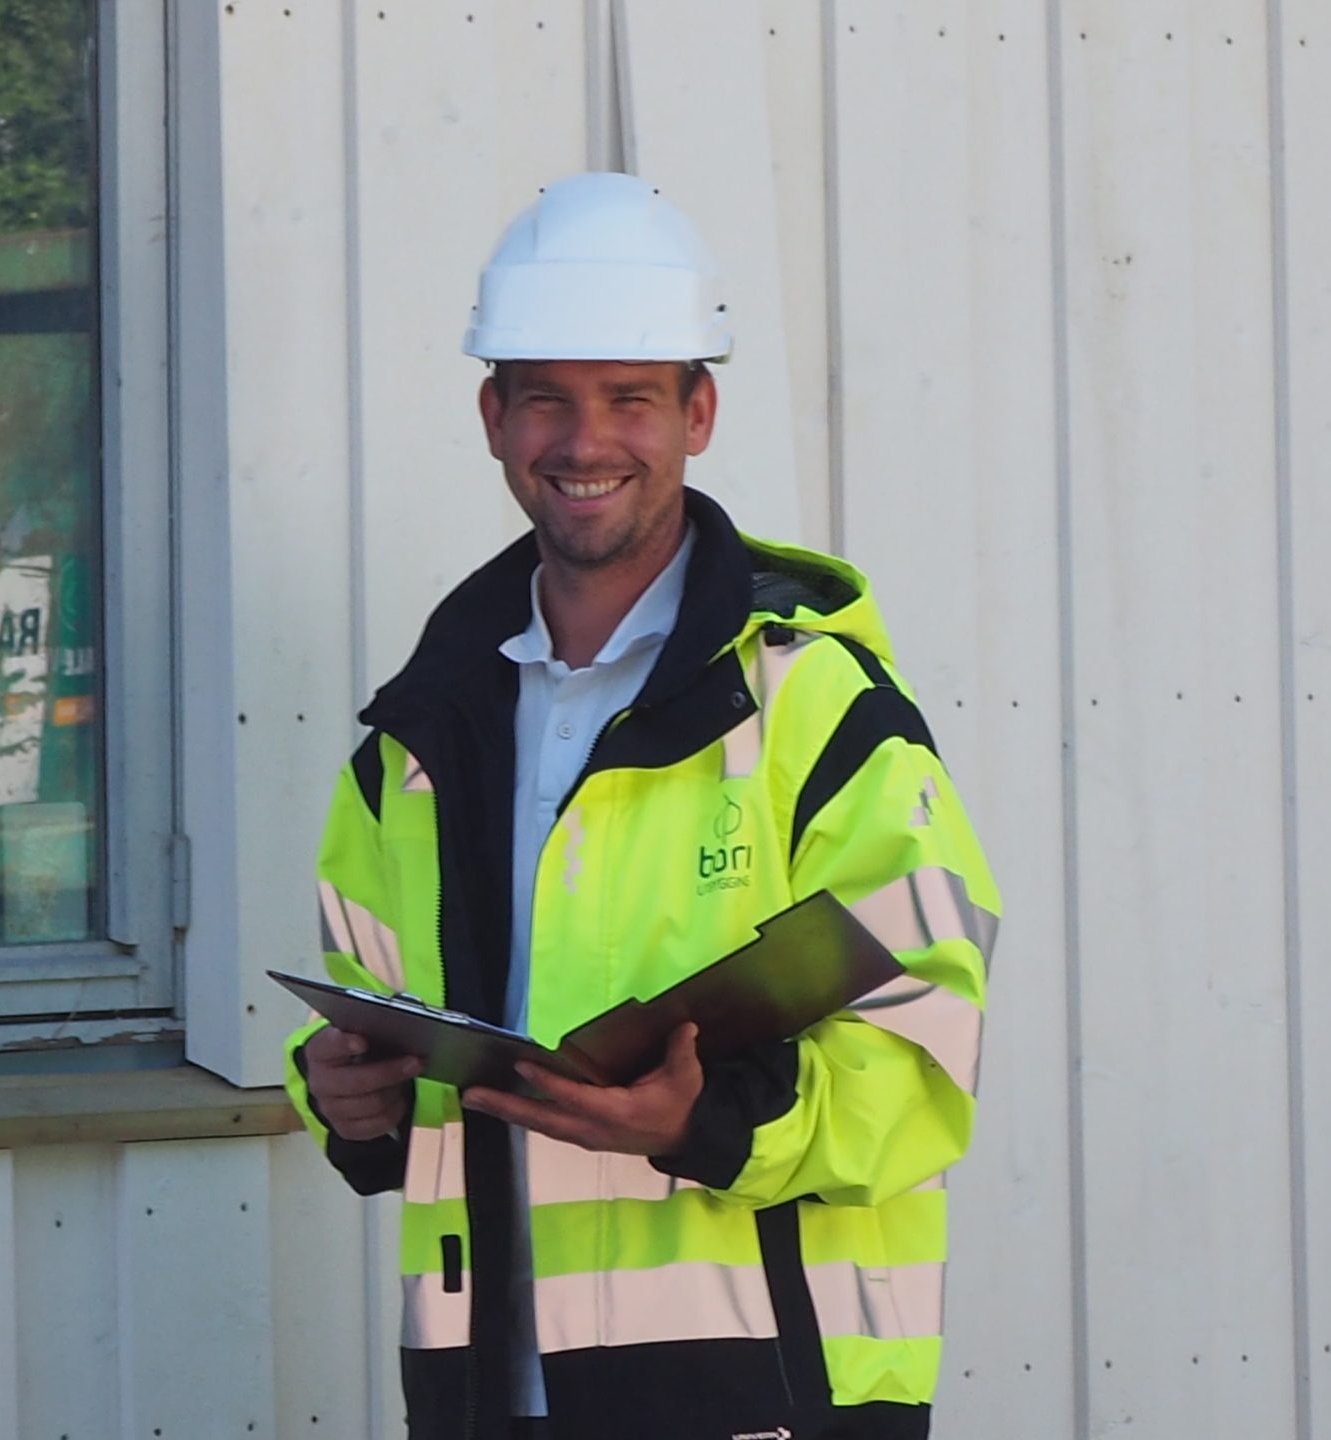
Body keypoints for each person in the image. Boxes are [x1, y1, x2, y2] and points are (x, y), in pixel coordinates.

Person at [284, 173, 999, 1440]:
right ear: (494, 416)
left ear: (698, 413)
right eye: (547, 396)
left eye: (630, 398)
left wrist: (706, 1119)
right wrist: (346, 1099)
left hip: (766, 1402)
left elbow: (924, 1059)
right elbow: (374, 1032)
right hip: (485, 1393)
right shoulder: (415, 741)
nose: (584, 442)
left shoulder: (816, 709)